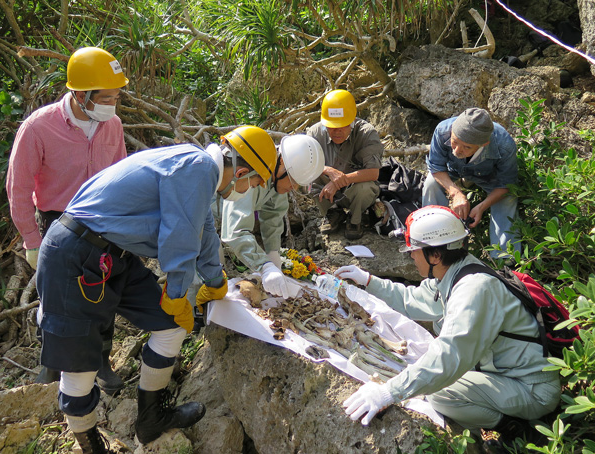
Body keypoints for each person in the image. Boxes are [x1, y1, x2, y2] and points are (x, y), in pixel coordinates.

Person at [35, 125, 277, 451]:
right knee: (80, 367)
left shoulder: (198, 170)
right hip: (75, 253)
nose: (250, 190)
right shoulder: (197, 167)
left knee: (171, 326)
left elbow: (203, 230)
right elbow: (180, 239)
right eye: (255, 183)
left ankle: (151, 419)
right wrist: (177, 294)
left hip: (112, 255)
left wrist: (216, 281)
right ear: (243, 171)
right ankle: (91, 444)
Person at [335, 206, 560, 448]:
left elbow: (449, 357)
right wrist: (368, 281)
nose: (410, 256)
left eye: (414, 251)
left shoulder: (474, 290)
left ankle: (516, 429)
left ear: (435, 256)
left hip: (531, 390)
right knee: (429, 376)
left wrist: (388, 392)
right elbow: (412, 300)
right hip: (505, 377)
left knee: (441, 393)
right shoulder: (458, 273)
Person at [6, 46, 129, 392]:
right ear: (80, 93)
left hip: (103, 222)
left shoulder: (113, 126)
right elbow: (17, 189)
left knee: (103, 295)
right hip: (57, 222)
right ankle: (52, 365)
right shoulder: (38, 128)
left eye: (116, 96)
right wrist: (32, 241)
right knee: (55, 299)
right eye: (105, 97)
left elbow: (120, 176)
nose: (112, 103)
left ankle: (100, 361)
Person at [221, 134, 325, 299]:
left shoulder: (277, 176)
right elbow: (236, 231)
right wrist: (265, 266)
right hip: (202, 222)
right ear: (282, 162)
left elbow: (273, 215)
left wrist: (273, 253)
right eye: (293, 181)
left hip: (220, 222)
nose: (294, 187)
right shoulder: (255, 170)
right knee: (210, 279)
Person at [422, 107, 520, 258]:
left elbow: (506, 184)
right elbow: (436, 167)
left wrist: (481, 207)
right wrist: (456, 193)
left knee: (507, 200)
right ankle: (434, 241)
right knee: (430, 184)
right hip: (453, 170)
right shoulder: (443, 130)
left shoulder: (504, 145)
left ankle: (504, 260)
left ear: (484, 144)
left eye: (467, 147)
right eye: (454, 141)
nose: (457, 150)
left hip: (489, 177)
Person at [307, 89, 383, 240]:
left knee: (365, 188)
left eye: (342, 125)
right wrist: (327, 170)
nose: (336, 131)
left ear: (352, 121)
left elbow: (373, 173)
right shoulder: (315, 133)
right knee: (308, 178)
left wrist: (338, 182)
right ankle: (332, 213)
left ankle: (356, 219)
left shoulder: (367, 134)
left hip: (355, 190)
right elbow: (304, 163)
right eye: (331, 126)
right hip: (326, 190)